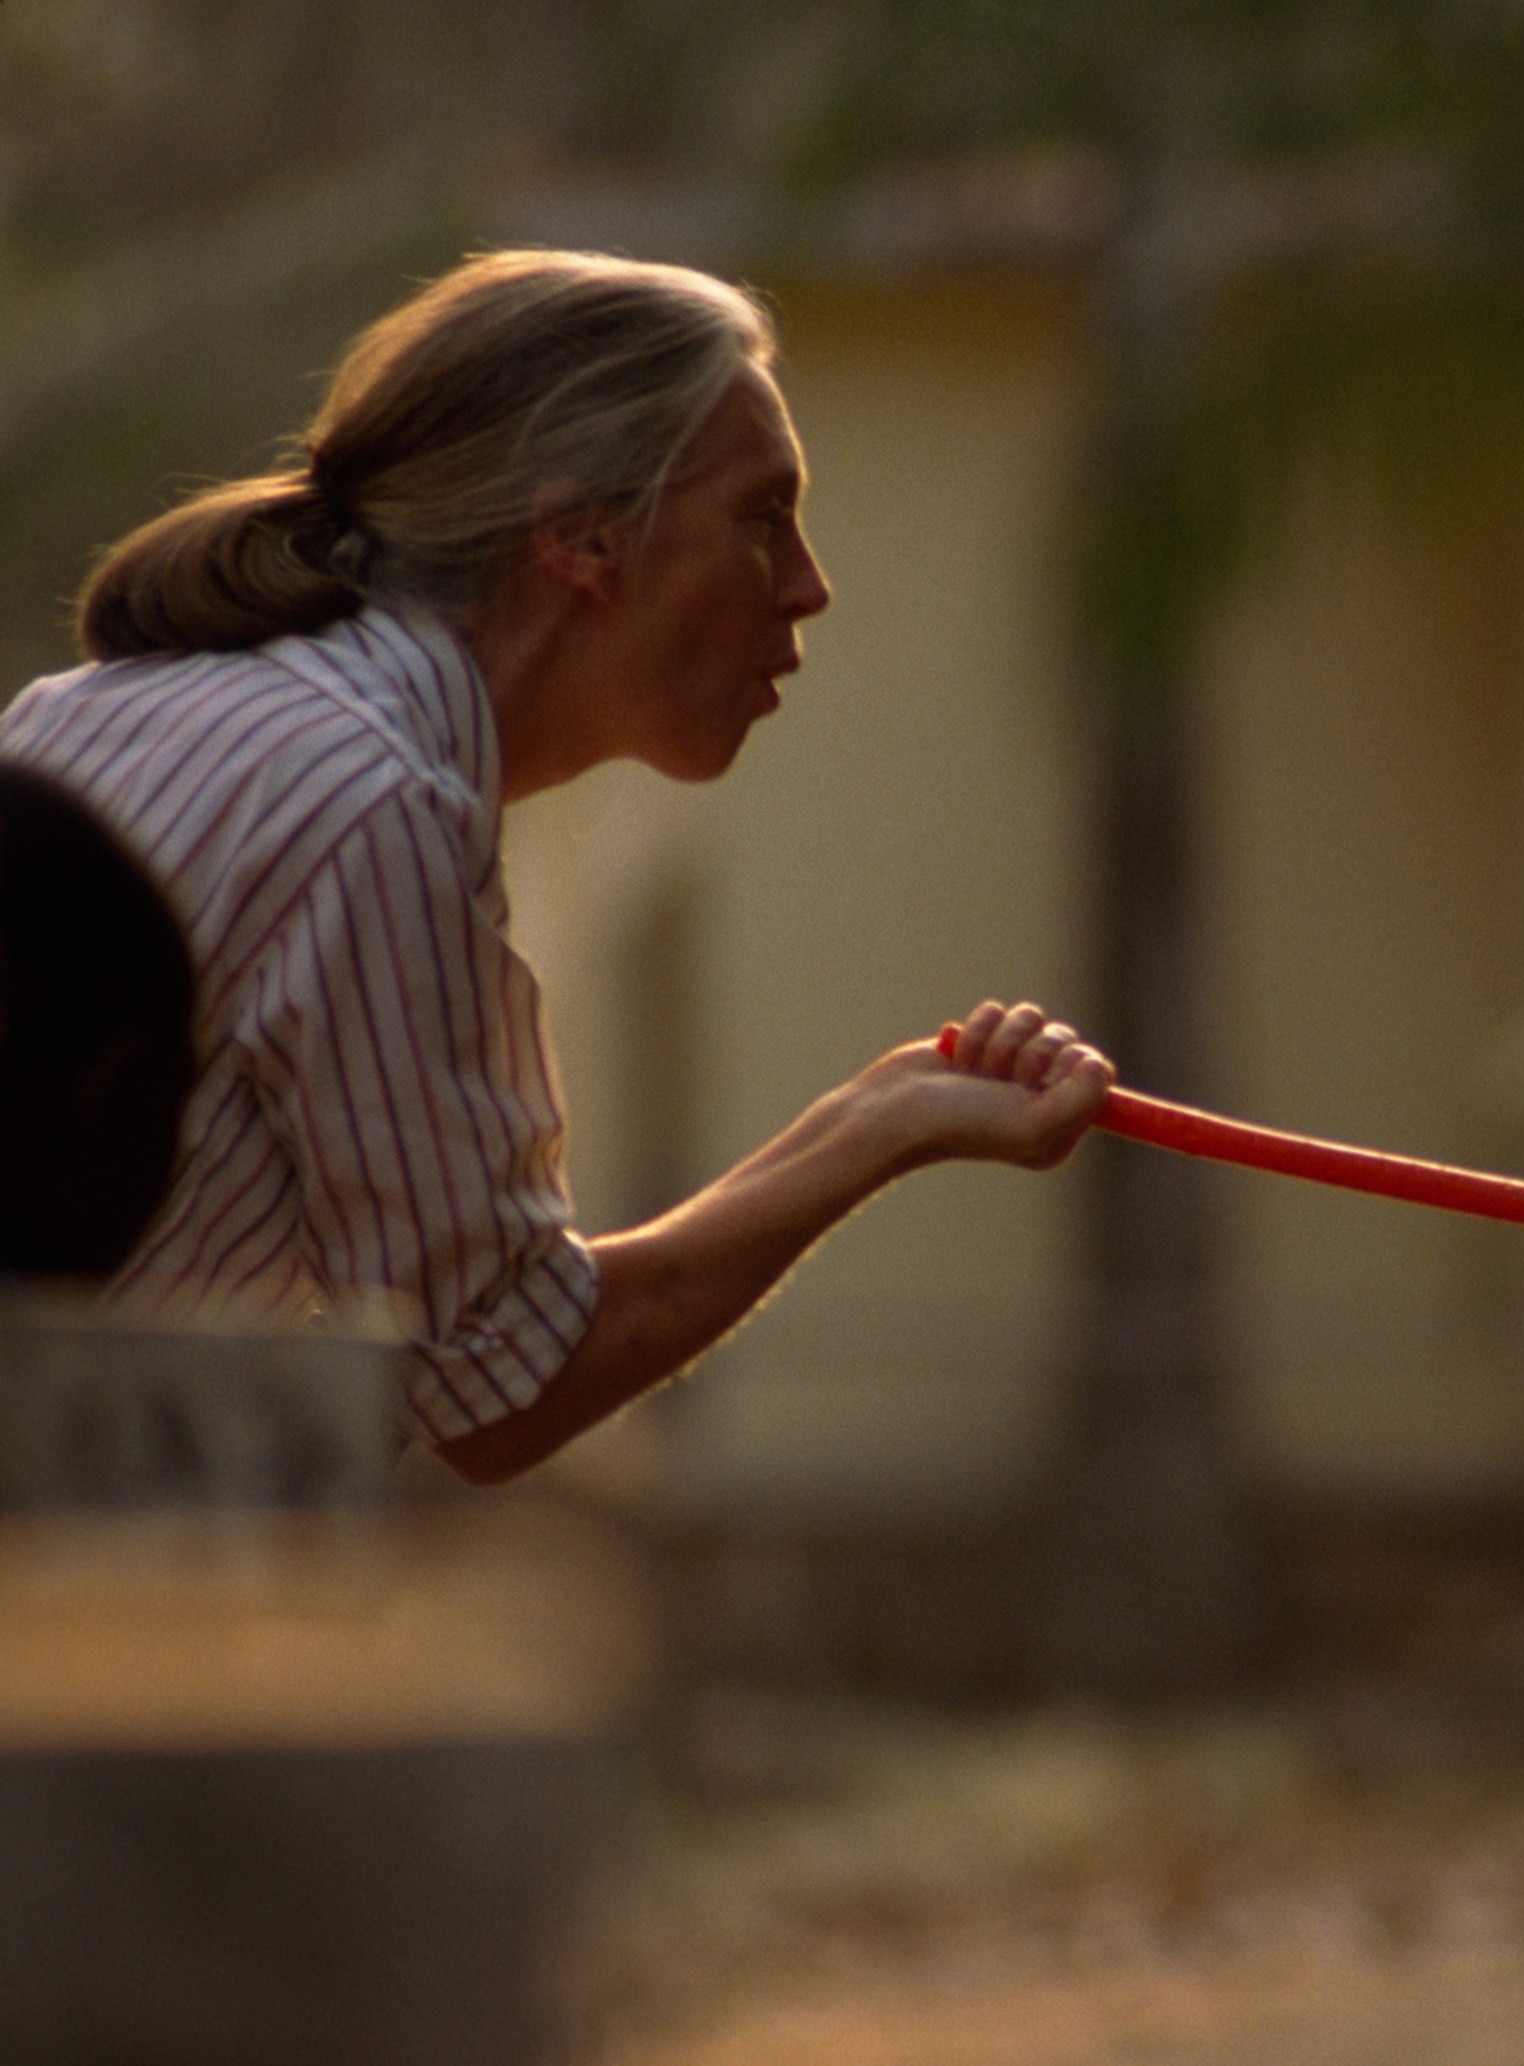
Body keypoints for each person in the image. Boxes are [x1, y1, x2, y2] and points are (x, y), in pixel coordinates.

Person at [0, 249, 1112, 1485]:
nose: (810, 587)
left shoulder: (95, 706)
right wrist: (875, 1133)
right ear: (584, 537)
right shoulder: (377, 802)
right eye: (762, 517)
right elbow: (501, 1383)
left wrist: (878, 1106)